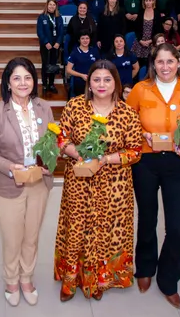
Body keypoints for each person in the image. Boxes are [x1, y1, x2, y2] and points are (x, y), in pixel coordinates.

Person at [54, 59, 142, 301]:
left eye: (107, 79)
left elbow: (135, 151)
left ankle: (101, 280)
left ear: (115, 83)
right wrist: (78, 153)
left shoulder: (127, 113)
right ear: (89, 83)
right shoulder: (74, 106)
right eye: (97, 79)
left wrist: (107, 159)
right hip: (80, 182)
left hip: (114, 186)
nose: (102, 84)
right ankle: (72, 280)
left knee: (107, 232)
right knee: (77, 229)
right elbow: (61, 140)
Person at [125, 44, 180, 309]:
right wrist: (140, 134)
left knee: (177, 227)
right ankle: (145, 267)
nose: (165, 67)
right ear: (153, 64)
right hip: (146, 160)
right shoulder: (140, 89)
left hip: (178, 161)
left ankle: (168, 278)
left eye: (170, 61)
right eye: (160, 62)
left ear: (179, 62)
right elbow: (128, 122)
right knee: (147, 218)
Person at [0, 58, 55, 307]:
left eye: (27, 77)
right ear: (8, 83)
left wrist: (49, 161)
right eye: (16, 78)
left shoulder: (44, 108)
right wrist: (10, 168)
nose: (23, 83)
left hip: (38, 183)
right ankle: (11, 279)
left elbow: (51, 143)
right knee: (13, 238)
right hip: (8, 185)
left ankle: (27, 278)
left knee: (31, 236)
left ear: (34, 81)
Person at [65, 33, 99, 97]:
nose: (85, 40)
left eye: (87, 38)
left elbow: (99, 65)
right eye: (82, 38)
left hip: (93, 82)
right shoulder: (75, 52)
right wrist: (81, 75)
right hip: (79, 82)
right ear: (79, 40)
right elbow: (68, 69)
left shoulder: (94, 51)